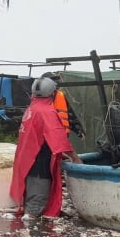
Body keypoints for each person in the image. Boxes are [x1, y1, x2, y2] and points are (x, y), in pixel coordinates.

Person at [10, 76, 82, 220]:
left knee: (31, 189)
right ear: (53, 93)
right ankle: (31, 224)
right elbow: (59, 139)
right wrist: (75, 158)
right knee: (37, 198)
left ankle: (31, 215)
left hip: (27, 158)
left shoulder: (32, 108)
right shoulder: (47, 112)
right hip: (40, 159)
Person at [44, 72, 84, 139]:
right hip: (48, 136)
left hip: (63, 135)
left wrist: (78, 130)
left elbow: (69, 114)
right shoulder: (41, 98)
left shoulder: (61, 96)